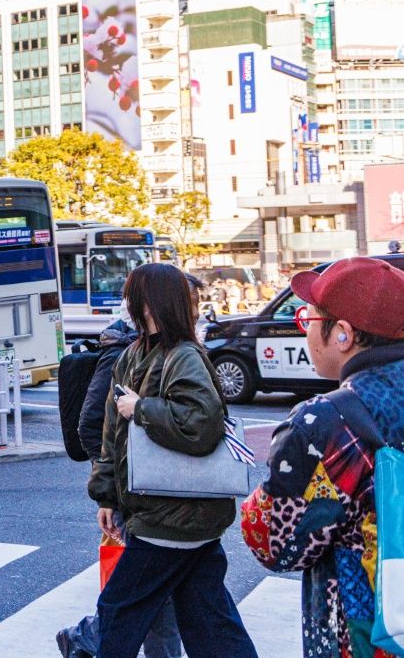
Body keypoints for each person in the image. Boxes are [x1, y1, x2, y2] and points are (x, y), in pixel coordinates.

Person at [87, 263, 258, 658]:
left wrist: (142, 408)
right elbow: (113, 434)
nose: (127, 301)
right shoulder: (133, 354)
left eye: (133, 293)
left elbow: (201, 424)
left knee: (118, 612)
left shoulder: (182, 356)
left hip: (171, 517)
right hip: (175, 513)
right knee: (209, 621)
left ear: (148, 303)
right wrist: (107, 496)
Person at [242, 256, 404, 658]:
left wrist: (251, 507)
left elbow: (275, 545)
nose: (305, 332)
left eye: (309, 320)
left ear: (344, 335)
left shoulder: (325, 422)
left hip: (368, 628)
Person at [59, 285, 197, 658]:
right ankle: (89, 635)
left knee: (156, 589)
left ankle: (90, 635)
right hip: (137, 494)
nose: (197, 310)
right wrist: (113, 486)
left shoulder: (166, 351)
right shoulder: (126, 352)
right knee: (145, 590)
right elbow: (93, 425)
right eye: (190, 302)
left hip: (160, 495)